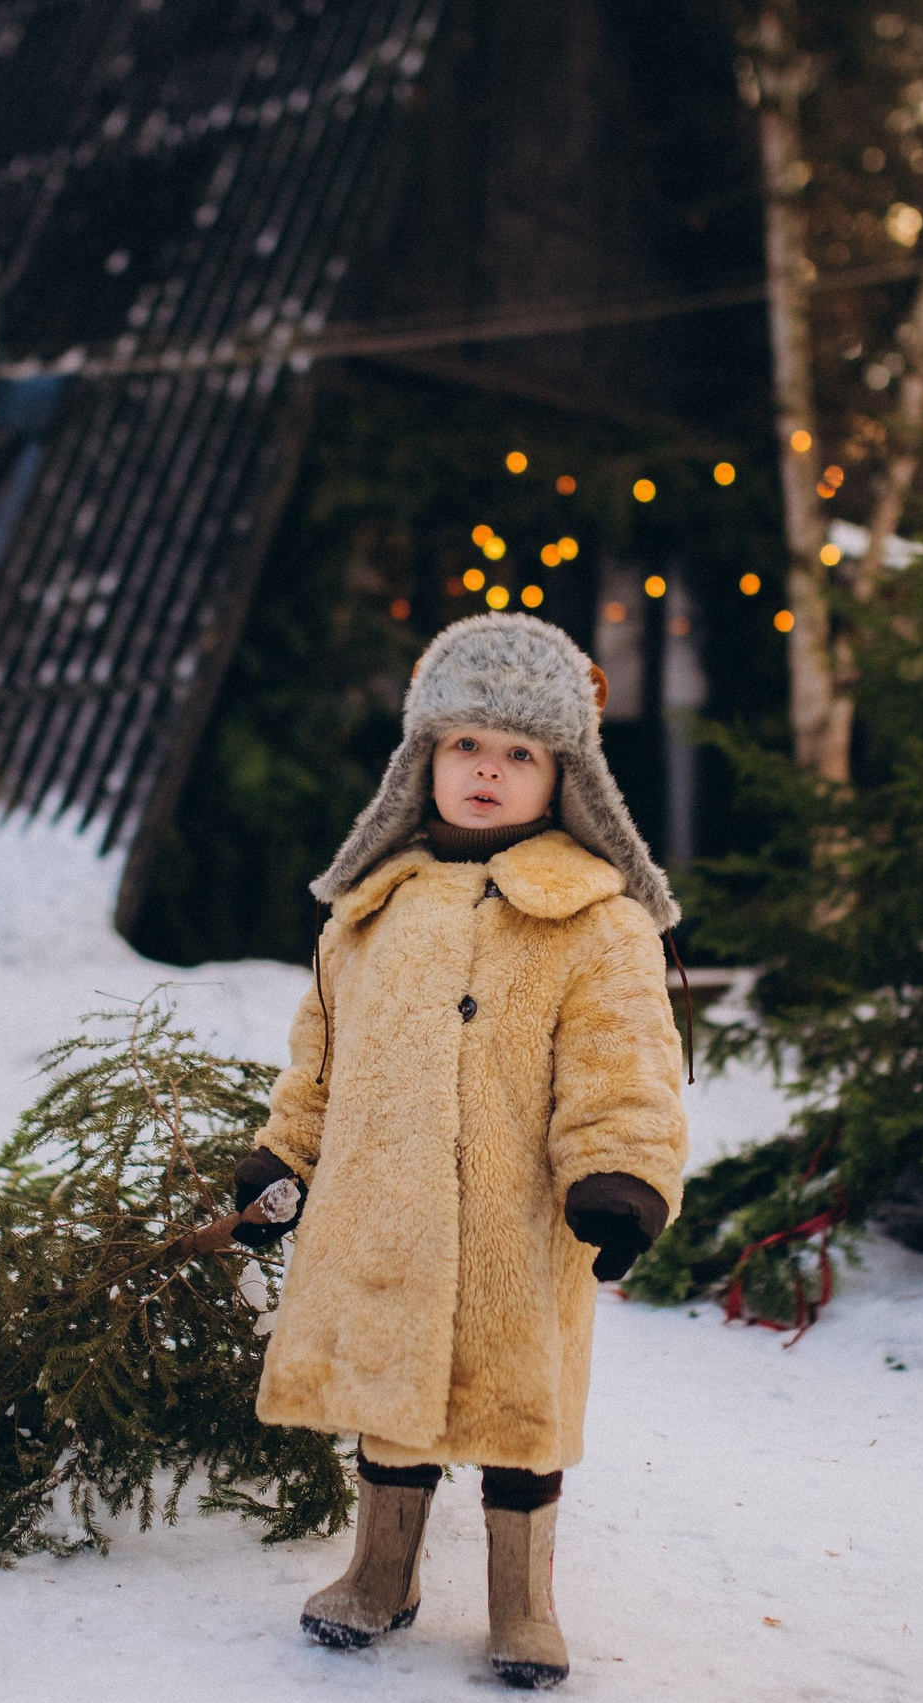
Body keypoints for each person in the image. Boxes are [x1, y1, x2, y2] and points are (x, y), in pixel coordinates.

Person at [230, 613, 689, 1690]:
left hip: (514, 1227)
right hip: (381, 1212)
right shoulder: (367, 911)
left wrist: (618, 1175)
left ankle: (522, 1604)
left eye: (518, 752)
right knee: (391, 1402)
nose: (487, 768)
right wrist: (280, 1155)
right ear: (422, 761)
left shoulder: (594, 922)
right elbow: (320, 1061)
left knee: (519, 1412)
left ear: (562, 773)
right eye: (465, 745)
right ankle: (378, 1572)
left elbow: (626, 1067)